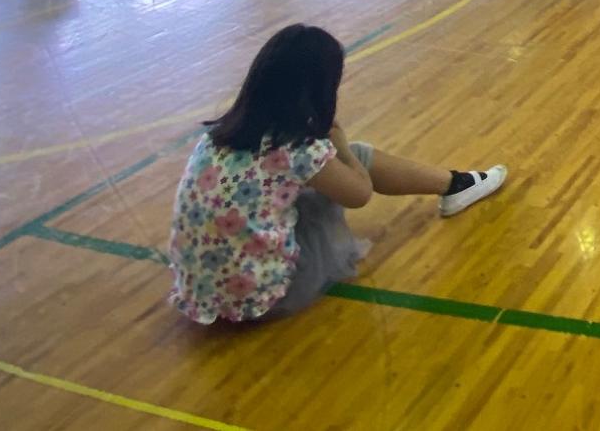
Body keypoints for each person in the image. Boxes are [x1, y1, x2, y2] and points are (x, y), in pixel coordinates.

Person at [168, 24, 504, 326]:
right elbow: (359, 194)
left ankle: (454, 183)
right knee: (354, 159)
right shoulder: (297, 149)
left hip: (201, 290)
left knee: (316, 175)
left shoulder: (219, 133)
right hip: (266, 298)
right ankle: (456, 184)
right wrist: (341, 145)